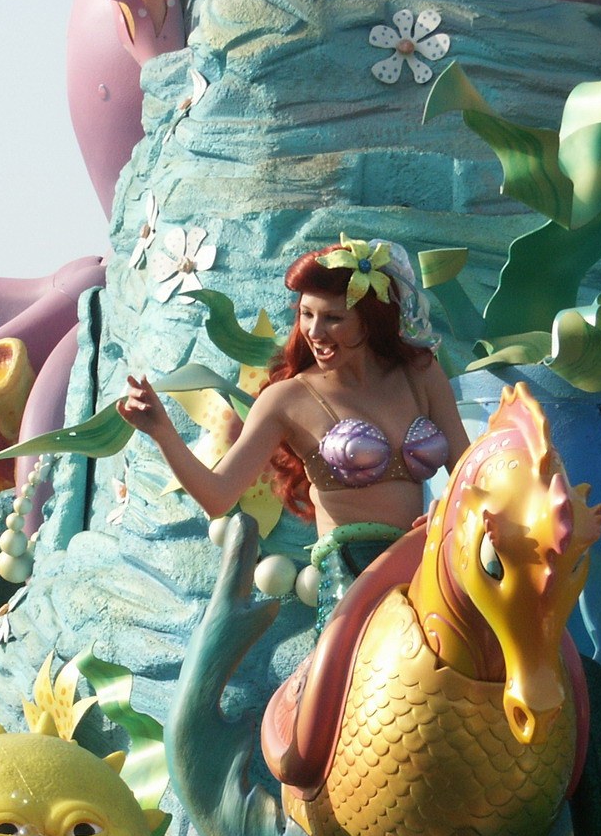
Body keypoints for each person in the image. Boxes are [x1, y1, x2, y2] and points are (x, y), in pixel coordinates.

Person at [117, 238, 470, 618]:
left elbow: (470, 471)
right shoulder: (285, 400)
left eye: (333, 318)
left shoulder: (420, 374)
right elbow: (217, 496)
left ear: (370, 319)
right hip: (351, 577)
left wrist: (447, 511)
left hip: (429, 561)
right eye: (306, 314)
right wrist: (163, 433)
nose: (314, 331)